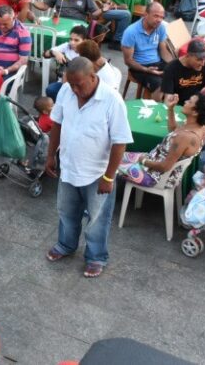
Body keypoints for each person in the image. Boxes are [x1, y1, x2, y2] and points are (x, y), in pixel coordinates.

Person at [44, 58, 132, 279]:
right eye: (71, 84)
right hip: (69, 167)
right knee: (66, 212)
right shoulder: (66, 91)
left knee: (97, 219)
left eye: (79, 84)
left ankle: (96, 257)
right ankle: (65, 245)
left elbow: (119, 142)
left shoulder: (113, 101)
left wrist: (109, 177)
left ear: (93, 77)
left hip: (97, 174)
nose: (74, 89)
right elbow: (57, 124)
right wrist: (50, 155)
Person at [118, 93, 205, 188]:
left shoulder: (185, 137)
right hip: (154, 161)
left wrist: (143, 160)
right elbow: (173, 130)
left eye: (189, 102)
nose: (185, 102)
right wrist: (170, 108)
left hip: (154, 176)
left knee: (110, 163)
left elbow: (165, 166)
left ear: (195, 112)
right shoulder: (200, 128)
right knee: (116, 155)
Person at [121, 2, 173, 97]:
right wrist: (146, 70)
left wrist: (174, 64)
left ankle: (168, 108)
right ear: (146, 14)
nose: (159, 20)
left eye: (162, 17)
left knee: (178, 76)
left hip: (157, 62)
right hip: (139, 66)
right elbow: (128, 61)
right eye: (156, 16)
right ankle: (156, 109)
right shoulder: (131, 32)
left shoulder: (160, 27)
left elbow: (163, 51)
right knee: (159, 85)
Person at [0, 5, 32, 77]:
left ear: (14, 18)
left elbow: (23, 60)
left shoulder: (22, 32)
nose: (2, 27)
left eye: (5, 24)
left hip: (11, 72)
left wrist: (6, 71)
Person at [161, 39, 205, 106]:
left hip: (198, 106)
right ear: (188, 55)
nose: (203, 64)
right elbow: (168, 98)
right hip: (179, 106)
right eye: (199, 59)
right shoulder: (171, 69)